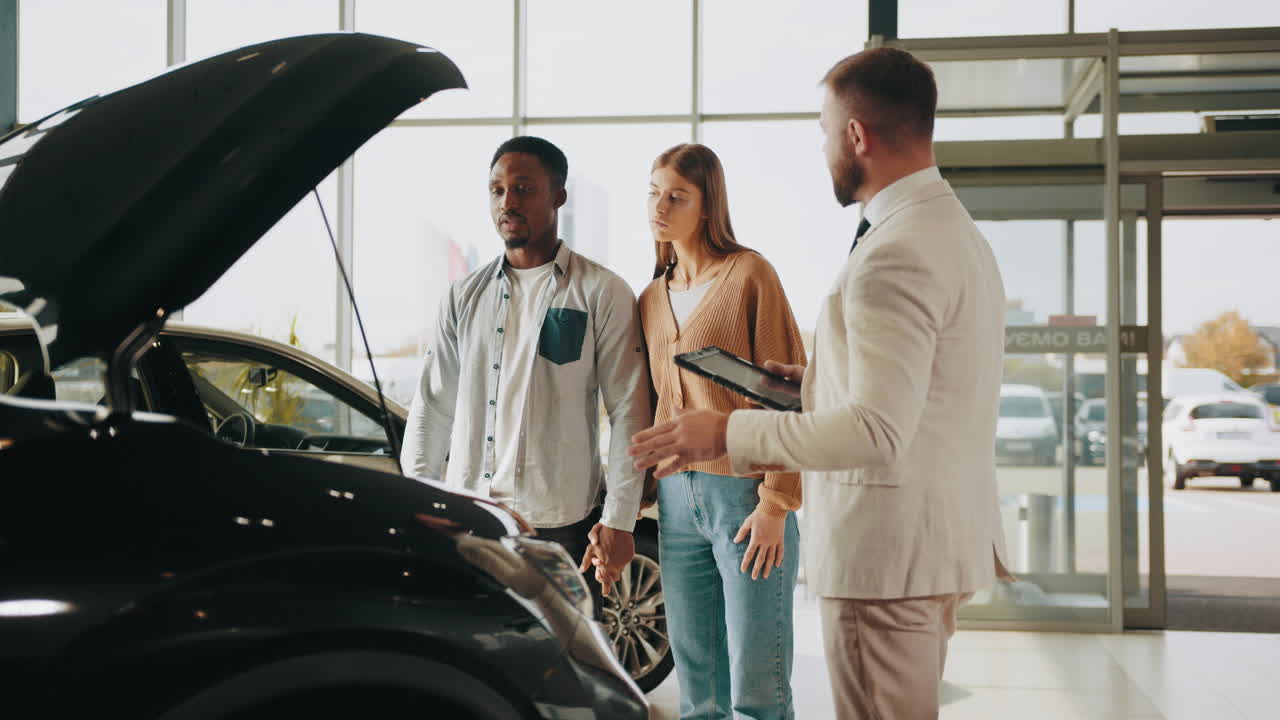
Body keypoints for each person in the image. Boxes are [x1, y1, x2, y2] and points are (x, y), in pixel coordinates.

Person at [628, 48, 1011, 720]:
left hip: (886, 556)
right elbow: (923, 393)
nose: (824, 146)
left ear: (856, 135)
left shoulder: (894, 250)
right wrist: (816, 385)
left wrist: (727, 431)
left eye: (826, 130)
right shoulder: (950, 231)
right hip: (929, 546)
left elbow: (876, 431)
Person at [402, 136, 651, 609]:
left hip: (561, 526)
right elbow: (432, 407)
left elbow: (629, 409)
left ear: (558, 195)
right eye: (496, 190)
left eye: (522, 189)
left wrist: (619, 520)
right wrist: (419, 500)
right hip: (471, 518)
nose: (507, 202)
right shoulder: (463, 296)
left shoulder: (601, 291)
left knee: (565, 650)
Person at [638, 143, 807, 720]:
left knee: (758, 689)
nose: (660, 207)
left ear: (708, 206)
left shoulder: (750, 275)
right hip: (675, 503)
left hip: (745, 498)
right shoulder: (650, 297)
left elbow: (785, 394)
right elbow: (656, 403)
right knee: (699, 691)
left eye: (677, 196)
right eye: (654, 193)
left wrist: (776, 503)